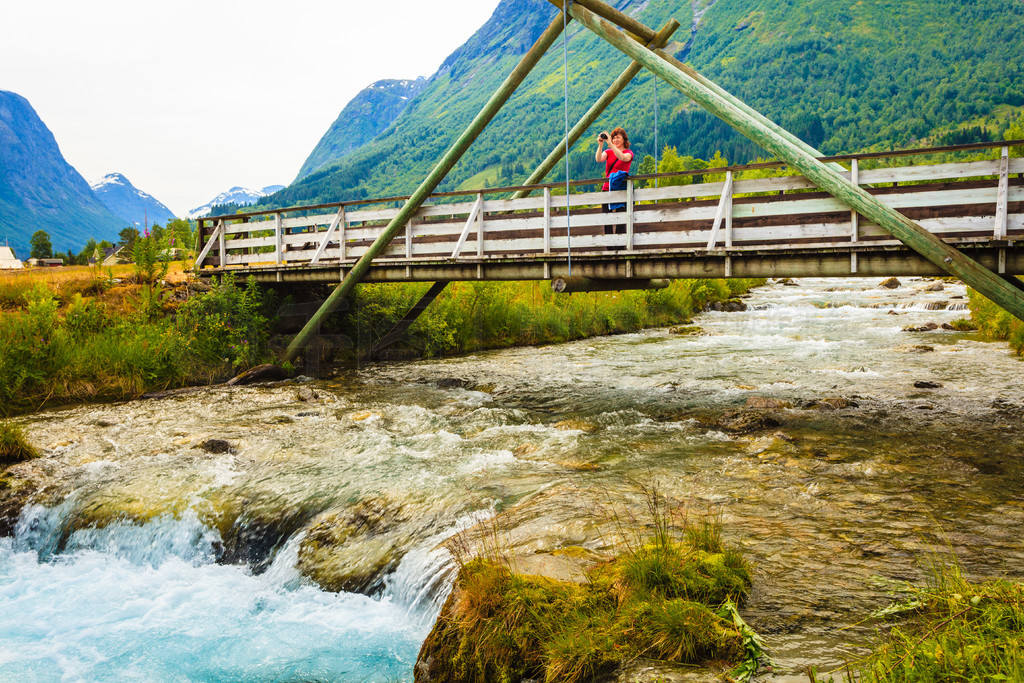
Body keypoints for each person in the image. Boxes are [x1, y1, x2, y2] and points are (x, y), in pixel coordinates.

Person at [595, 127, 633, 237]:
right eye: (614, 138)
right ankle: (609, 245)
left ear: (624, 139)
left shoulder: (628, 153)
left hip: (621, 188)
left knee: (621, 217)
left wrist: (610, 144)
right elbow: (598, 159)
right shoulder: (608, 152)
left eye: (618, 138)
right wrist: (600, 145)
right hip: (607, 187)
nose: (615, 140)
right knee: (606, 217)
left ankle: (620, 244)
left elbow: (622, 158)